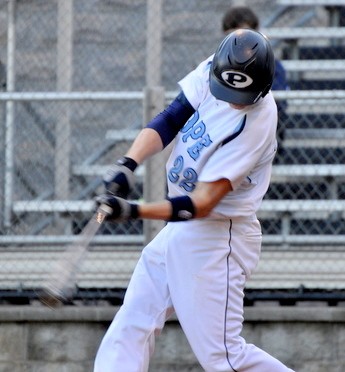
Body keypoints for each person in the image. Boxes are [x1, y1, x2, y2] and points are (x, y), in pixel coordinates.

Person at [93, 29, 295, 371]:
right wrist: (127, 164)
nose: (232, 98)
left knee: (224, 358)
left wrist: (133, 210)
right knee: (135, 318)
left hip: (218, 237)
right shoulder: (216, 67)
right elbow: (171, 118)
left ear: (262, 88)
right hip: (182, 230)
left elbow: (200, 204)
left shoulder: (257, 122)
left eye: (242, 93)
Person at [222, 5, 289, 162]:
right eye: (233, 36)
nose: (239, 43)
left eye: (245, 35)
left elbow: (277, 104)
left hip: (259, 130)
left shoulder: (270, 65)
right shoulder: (216, 66)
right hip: (225, 130)